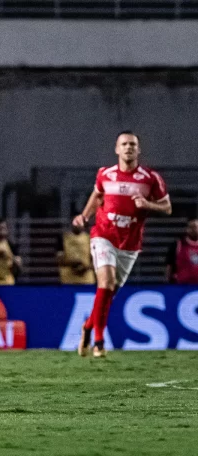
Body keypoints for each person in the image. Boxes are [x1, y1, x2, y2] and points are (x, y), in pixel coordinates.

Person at [74, 131, 171, 358]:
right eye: (124, 144)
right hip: (103, 235)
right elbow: (97, 196)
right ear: (117, 149)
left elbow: (167, 208)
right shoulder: (105, 174)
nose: (128, 147)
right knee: (105, 282)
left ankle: (88, 327)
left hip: (129, 244)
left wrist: (147, 204)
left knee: (108, 293)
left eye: (133, 144)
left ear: (139, 150)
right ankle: (98, 341)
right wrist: (84, 216)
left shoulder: (150, 178)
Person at [166, 217, 198, 284]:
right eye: (192, 227)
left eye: (196, 227)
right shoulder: (178, 244)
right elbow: (169, 266)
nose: (194, 230)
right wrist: (168, 283)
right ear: (187, 229)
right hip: (182, 286)